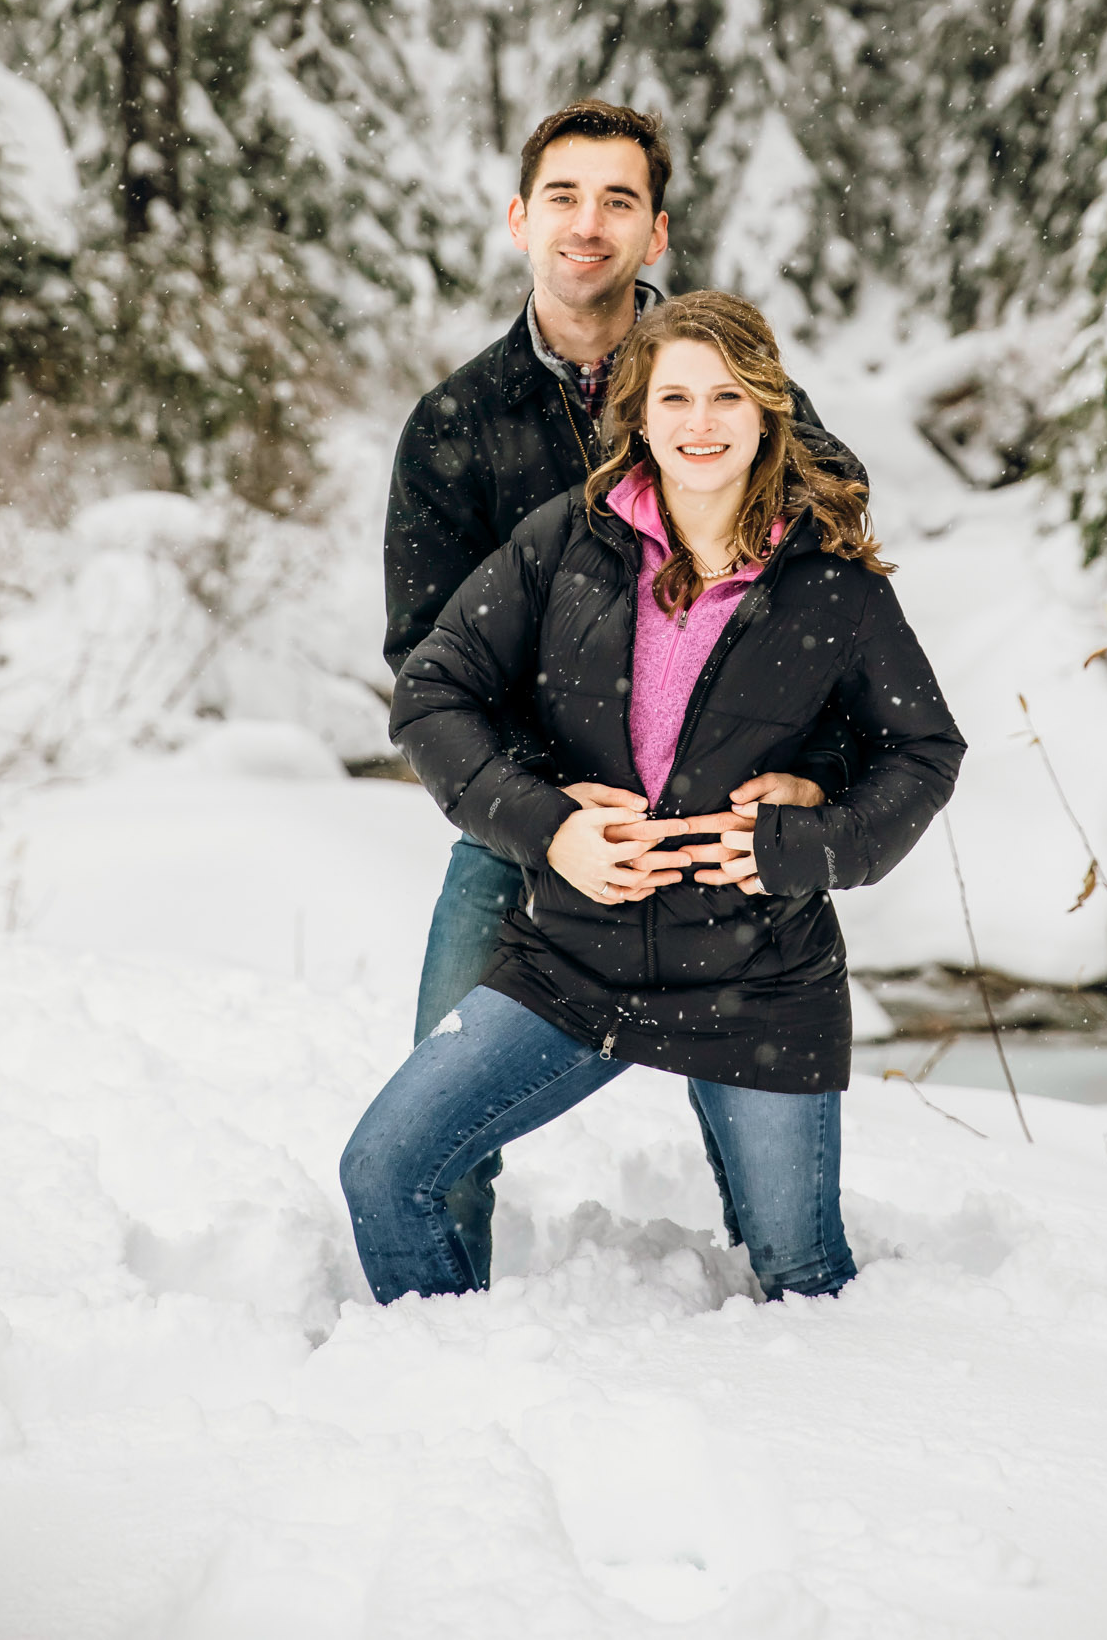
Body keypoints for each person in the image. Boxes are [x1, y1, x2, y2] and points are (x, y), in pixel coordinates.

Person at [343, 292, 965, 1304]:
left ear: (767, 408)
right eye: (672, 395)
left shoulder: (830, 581)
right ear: (637, 413)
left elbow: (921, 750)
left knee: (800, 1276)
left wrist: (801, 844)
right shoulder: (567, 543)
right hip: (573, 959)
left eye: (726, 395)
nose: (698, 421)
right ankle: (450, 1382)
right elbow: (430, 691)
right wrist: (550, 825)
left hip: (755, 979)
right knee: (383, 1169)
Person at [384, 100, 858, 1281]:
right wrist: (551, 814)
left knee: (754, 1118)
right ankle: (438, 1355)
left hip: (706, 833)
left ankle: (805, 1332)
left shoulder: (735, 399)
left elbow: (834, 621)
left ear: (656, 234)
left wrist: (815, 780)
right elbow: (423, 664)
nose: (585, 225)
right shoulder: (454, 428)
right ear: (517, 219)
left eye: (617, 201)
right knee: (431, 1118)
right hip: (530, 830)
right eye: (562, 197)